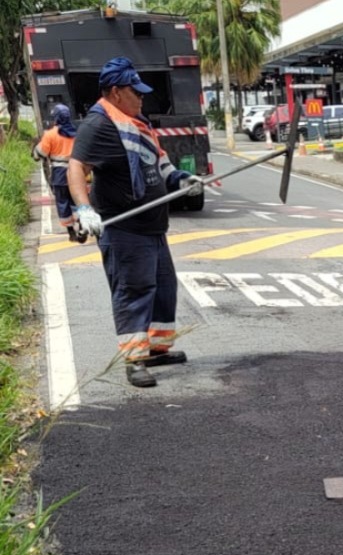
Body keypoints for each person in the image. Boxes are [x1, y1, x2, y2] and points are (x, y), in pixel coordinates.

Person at [67, 57, 203, 388]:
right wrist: (84, 209)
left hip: (153, 228)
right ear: (115, 92)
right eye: (135, 92)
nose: (141, 98)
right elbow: (75, 167)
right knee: (134, 291)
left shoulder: (138, 123)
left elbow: (160, 165)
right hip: (124, 229)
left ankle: (156, 349)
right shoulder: (98, 125)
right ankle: (134, 358)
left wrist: (182, 179)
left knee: (163, 290)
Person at [33, 104, 86, 242]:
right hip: (78, 172)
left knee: (63, 202)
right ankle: (82, 227)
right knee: (78, 200)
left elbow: (40, 154)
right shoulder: (78, 132)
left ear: (55, 117)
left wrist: (35, 153)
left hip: (59, 175)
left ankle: (71, 233)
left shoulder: (50, 135)